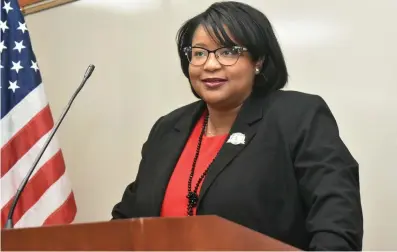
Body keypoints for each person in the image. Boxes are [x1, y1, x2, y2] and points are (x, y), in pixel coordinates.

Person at [111, 1, 363, 250]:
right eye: (199, 53)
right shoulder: (167, 128)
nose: (210, 64)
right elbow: (127, 219)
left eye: (228, 52)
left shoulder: (298, 116)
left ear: (259, 60)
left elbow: (336, 224)